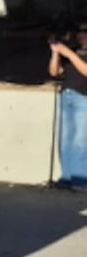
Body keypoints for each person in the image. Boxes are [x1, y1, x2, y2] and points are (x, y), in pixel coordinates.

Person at [49, 23, 87, 189]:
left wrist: (69, 54)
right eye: (80, 31)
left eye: (85, 31)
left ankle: (80, 178)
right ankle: (66, 177)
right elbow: (54, 72)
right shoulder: (74, 51)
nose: (82, 34)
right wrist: (55, 53)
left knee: (81, 139)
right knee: (65, 139)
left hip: (83, 97)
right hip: (67, 95)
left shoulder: (73, 54)